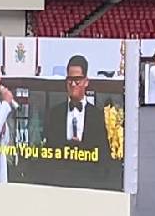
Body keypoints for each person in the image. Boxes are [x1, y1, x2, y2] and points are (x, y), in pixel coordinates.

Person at [43, 55, 118, 190]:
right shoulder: (55, 113)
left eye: (77, 80)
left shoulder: (96, 115)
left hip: (88, 182)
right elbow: (49, 151)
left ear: (86, 81)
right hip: (61, 183)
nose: (72, 84)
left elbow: (103, 154)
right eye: (69, 80)